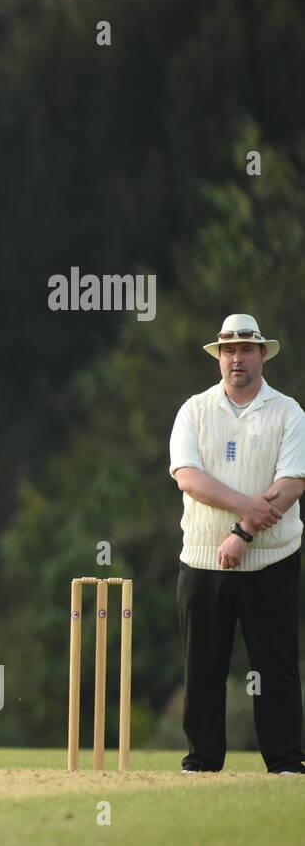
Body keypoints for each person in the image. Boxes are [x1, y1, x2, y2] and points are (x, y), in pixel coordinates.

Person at [169, 313, 305, 775]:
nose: (237, 359)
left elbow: (289, 486)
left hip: (272, 559)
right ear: (218, 357)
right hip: (203, 558)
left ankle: (286, 761)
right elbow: (189, 478)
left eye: (246, 350)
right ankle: (202, 762)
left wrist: (244, 533)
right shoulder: (194, 409)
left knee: (275, 666)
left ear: (262, 354)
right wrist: (248, 508)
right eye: (229, 351)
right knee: (203, 668)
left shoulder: (288, 412)